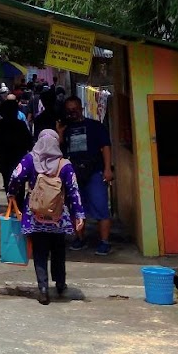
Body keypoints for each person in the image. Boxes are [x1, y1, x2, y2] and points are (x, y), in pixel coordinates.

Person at [8, 129, 85, 304]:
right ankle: (60, 283)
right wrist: (78, 214)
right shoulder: (64, 165)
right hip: (58, 216)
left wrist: (11, 194)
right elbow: (73, 190)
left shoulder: (30, 159)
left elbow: (16, 176)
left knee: (40, 250)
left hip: (35, 214)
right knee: (58, 249)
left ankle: (43, 288)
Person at [61, 95, 113, 254]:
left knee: (101, 207)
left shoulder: (95, 126)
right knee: (76, 208)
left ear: (81, 108)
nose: (72, 113)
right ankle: (80, 238)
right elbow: (59, 151)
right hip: (74, 174)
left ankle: (104, 241)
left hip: (95, 172)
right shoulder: (65, 129)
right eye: (69, 110)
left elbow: (105, 147)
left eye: (75, 109)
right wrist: (60, 133)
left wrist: (107, 169)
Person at [0, 97, 34, 190]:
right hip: (17, 158)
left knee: (8, 184)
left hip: (6, 159)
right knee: (19, 184)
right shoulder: (20, 125)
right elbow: (29, 142)